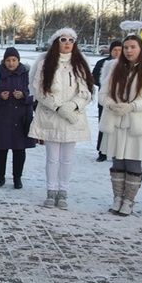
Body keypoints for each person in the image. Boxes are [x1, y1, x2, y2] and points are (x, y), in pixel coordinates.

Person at [29, 28, 94, 209]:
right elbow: (38, 89)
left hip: (72, 117)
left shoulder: (80, 64)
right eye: (63, 39)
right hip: (51, 116)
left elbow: (86, 91)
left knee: (67, 158)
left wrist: (72, 106)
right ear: (56, 42)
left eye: (71, 40)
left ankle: (63, 191)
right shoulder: (44, 63)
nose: (67, 43)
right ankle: (51, 191)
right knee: (52, 158)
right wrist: (57, 106)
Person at [98, 34, 142, 216]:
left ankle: (129, 200)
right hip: (116, 122)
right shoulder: (115, 68)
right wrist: (111, 104)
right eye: (126, 47)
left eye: (132, 47)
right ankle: (117, 198)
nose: (128, 50)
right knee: (117, 162)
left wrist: (133, 106)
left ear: (140, 48)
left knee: (133, 162)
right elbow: (103, 94)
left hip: (137, 124)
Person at [0, 47, 35, 189]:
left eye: (14, 60)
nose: (11, 63)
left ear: (18, 61)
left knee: (19, 150)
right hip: (2, 117)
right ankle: (0, 177)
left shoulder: (27, 74)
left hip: (21, 117)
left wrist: (24, 96)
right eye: (8, 60)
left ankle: (17, 178)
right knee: (1, 149)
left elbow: (36, 94)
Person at [92, 40, 123, 162]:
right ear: (111, 50)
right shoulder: (102, 63)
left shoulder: (126, 64)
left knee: (118, 127)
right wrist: (106, 85)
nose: (117, 52)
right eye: (115, 50)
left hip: (120, 101)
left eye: (120, 50)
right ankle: (102, 152)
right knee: (104, 125)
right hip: (105, 99)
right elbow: (94, 78)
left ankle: (117, 151)